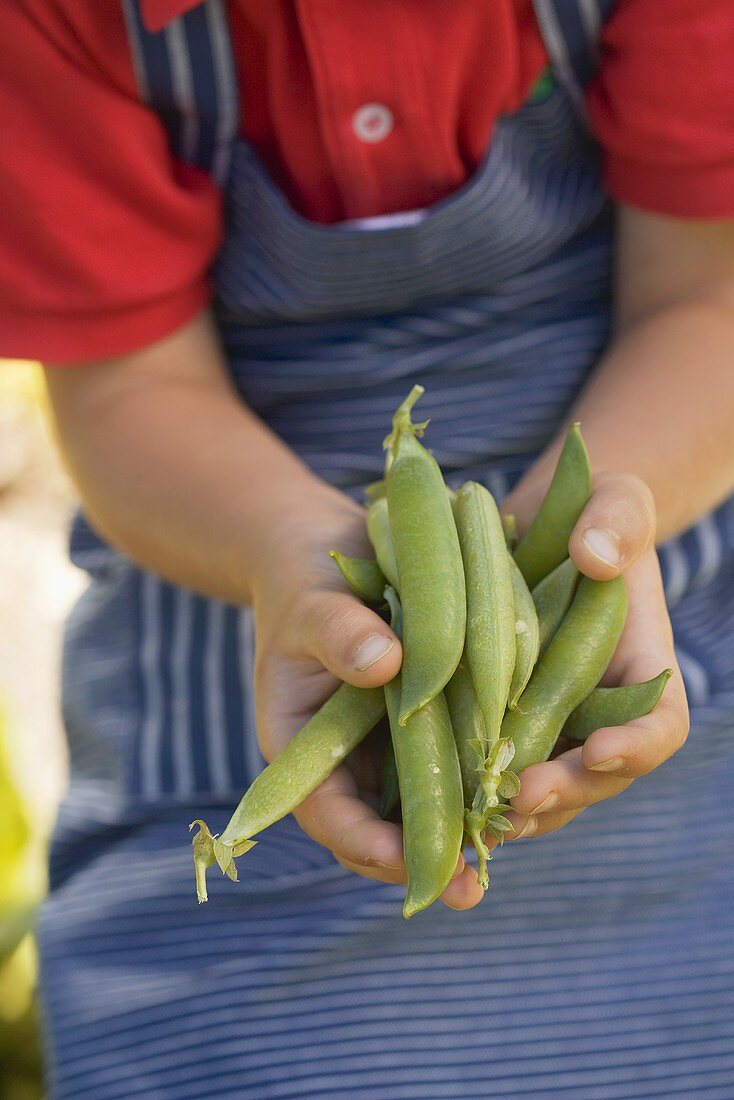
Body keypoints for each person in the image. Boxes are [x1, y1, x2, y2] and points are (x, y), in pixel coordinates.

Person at [3, 0, 734, 1096]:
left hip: (647, 494)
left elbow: (707, 294)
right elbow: (127, 389)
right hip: (239, 558)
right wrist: (279, 548)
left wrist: (587, 535)